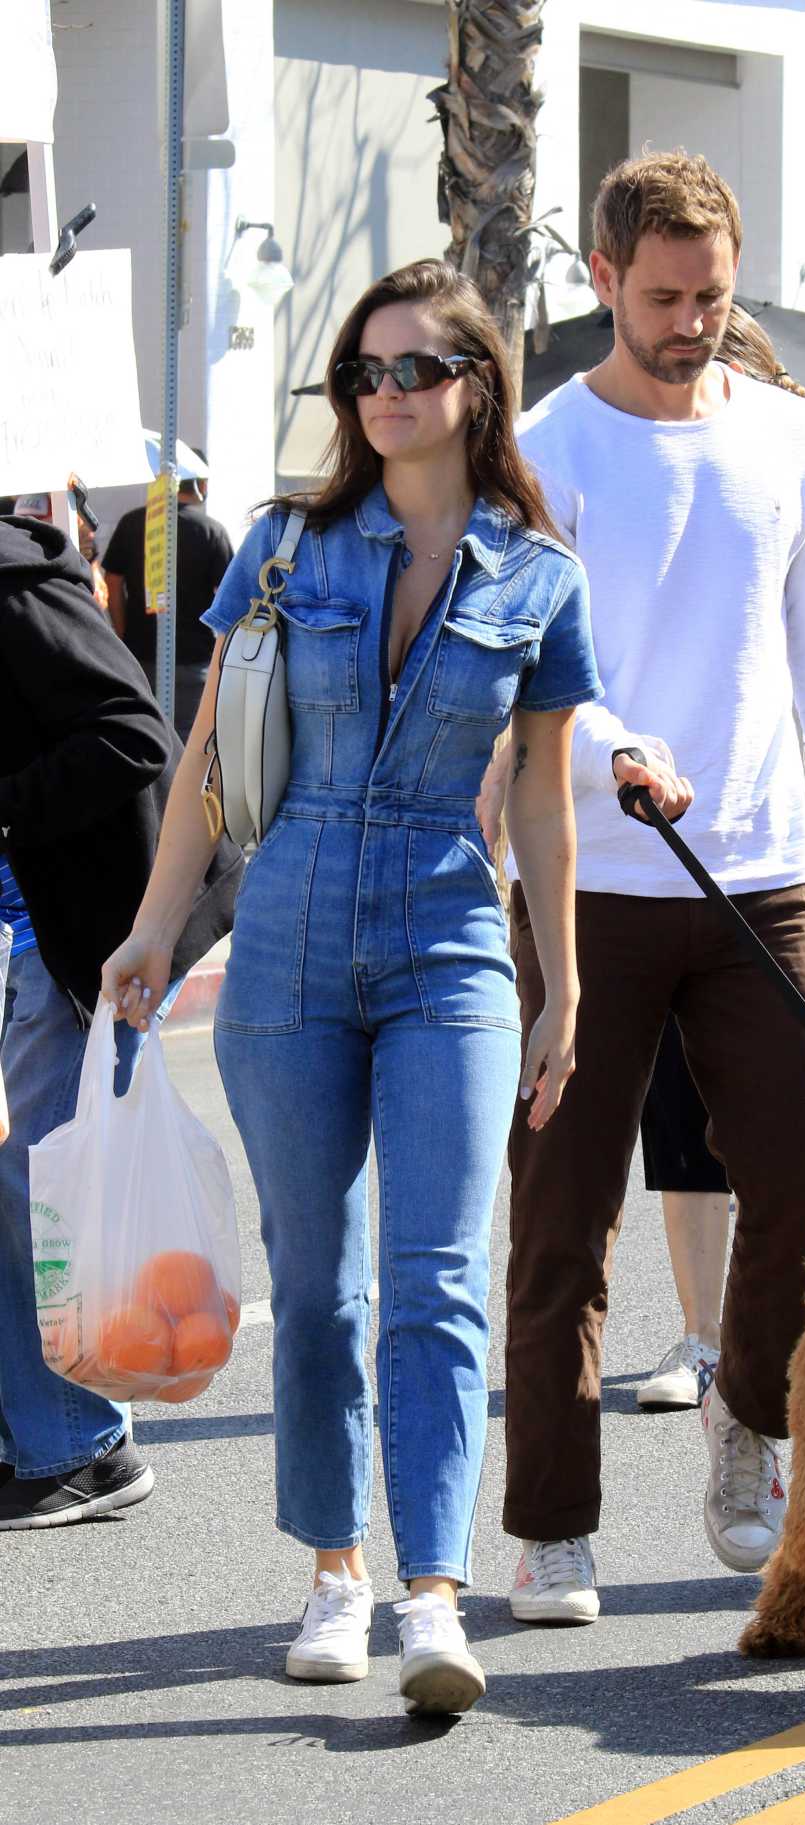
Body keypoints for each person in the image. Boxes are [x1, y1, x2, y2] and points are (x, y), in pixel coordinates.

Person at [102, 260, 600, 1717]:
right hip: (292, 940)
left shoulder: (541, 578)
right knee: (321, 1287)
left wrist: (560, 984)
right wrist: (150, 931)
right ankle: (336, 1574)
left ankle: (433, 1598)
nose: (385, 397)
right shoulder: (278, 550)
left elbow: (552, 806)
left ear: (474, 387)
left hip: (451, 942)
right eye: (363, 375)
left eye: (414, 371)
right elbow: (205, 762)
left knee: (437, 1281)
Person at [499, 151, 805, 1626]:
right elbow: (533, 673)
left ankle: (745, 1418)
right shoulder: (548, 446)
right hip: (588, 884)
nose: (690, 322)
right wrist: (623, 750)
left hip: (760, 873)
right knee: (562, 1217)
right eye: (664, 296)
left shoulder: (793, 440)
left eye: (714, 297)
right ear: (604, 280)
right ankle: (552, 1529)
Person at [0, 512, 242, 1530]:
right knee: (29, 1188)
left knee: (39, 1193)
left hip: (75, 944)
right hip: (41, 936)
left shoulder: (11, 584)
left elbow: (134, 733)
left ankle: (75, 1445)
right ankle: (45, 1430)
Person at [103, 461, 235, 740]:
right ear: (202, 485)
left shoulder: (133, 522)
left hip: (140, 653)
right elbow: (228, 595)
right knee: (187, 742)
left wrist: (121, 632)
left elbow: (112, 581)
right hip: (194, 655)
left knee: (143, 736)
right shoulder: (211, 530)